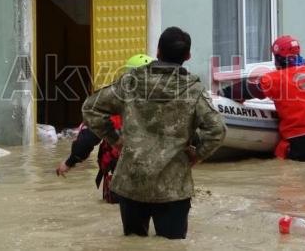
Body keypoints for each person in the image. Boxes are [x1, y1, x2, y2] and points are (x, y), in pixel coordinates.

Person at [82, 27, 226, 239]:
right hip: (173, 188)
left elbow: (90, 108)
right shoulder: (194, 91)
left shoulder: (130, 83)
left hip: (132, 183)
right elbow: (217, 130)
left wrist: (116, 140)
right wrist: (197, 155)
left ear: (157, 51)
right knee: (171, 245)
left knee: (133, 244)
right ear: (188, 56)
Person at [55, 54, 155, 204]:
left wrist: (69, 162)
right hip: (157, 178)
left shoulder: (111, 105)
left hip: (121, 178)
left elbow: (87, 140)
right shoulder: (168, 102)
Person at [230, 35, 305, 162]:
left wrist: (223, 93)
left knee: (284, 164)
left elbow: (246, 90)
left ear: (278, 58)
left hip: (298, 144)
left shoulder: (275, 78)